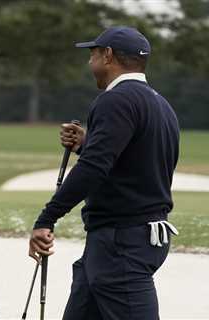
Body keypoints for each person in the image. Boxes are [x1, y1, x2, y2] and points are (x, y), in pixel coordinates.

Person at [29, 26, 180, 320]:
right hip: (130, 238)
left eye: (93, 54)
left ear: (107, 56)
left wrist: (47, 218)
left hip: (121, 243)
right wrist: (88, 144)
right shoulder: (160, 104)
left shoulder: (115, 100)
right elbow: (133, 163)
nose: (89, 62)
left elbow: (93, 169)